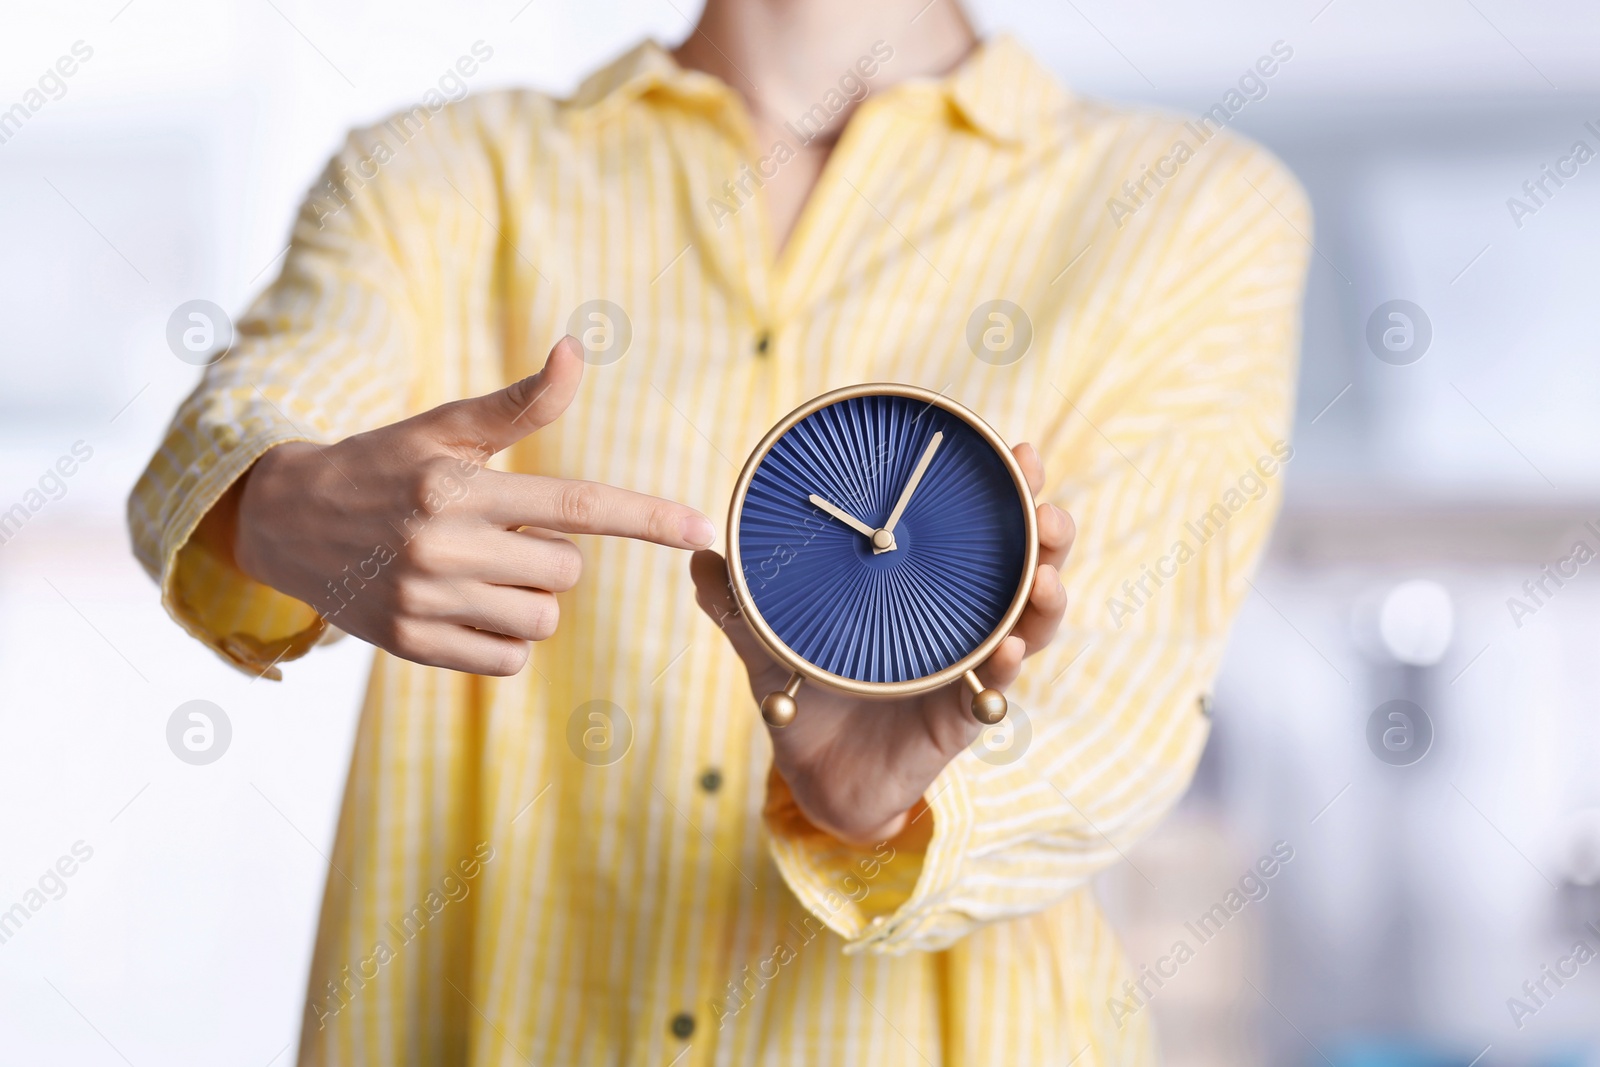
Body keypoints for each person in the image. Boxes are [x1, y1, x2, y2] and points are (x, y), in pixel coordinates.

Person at [129, 0, 1310, 1062]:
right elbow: (239, 420)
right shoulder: (436, 176)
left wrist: (890, 810)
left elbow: (1123, 698)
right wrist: (280, 503)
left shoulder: (1185, 209)